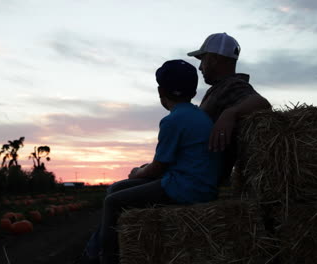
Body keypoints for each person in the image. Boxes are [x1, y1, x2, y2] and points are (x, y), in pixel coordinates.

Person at [91, 59, 222, 264]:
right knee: (116, 188)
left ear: (161, 92)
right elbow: (166, 163)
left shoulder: (172, 121)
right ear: (194, 92)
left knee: (112, 201)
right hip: (197, 184)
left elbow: (157, 169)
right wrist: (143, 170)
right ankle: (96, 250)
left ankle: (104, 258)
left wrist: (137, 172)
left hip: (183, 189)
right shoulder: (200, 116)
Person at [187, 32, 272, 185]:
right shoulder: (220, 88)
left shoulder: (233, 85)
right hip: (196, 172)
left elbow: (262, 103)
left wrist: (231, 113)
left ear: (215, 59)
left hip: (202, 178)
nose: (200, 67)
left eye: (203, 60)